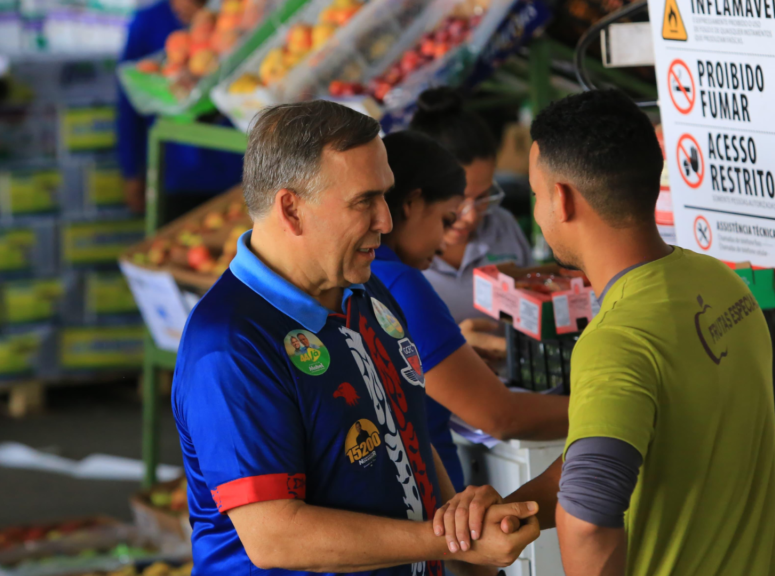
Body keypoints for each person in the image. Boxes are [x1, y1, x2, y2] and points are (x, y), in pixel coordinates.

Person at [171, 101, 540, 575]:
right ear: (292, 209)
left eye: (385, 197)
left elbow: (408, 428)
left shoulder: (362, 288)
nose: (386, 221)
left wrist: (468, 550)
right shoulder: (229, 345)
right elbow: (275, 535)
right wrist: (449, 543)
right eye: (364, 201)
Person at [433, 90, 775, 576]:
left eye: (535, 195)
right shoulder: (721, 283)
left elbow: (589, 519)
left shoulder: (615, 340)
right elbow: (602, 460)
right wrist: (514, 509)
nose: (535, 211)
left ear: (564, 199)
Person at [371, 130, 569, 492]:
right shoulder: (400, 282)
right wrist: (619, 409)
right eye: (446, 220)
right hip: (425, 504)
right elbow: (500, 416)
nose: (446, 237)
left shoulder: (360, 274)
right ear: (412, 204)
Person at [410, 88, 532, 327]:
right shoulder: (392, 257)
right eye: (457, 200)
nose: (471, 216)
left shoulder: (502, 226)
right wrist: (453, 351)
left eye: (483, 196)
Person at [118, 0, 243, 216]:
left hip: (236, 168)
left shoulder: (231, 15)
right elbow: (128, 109)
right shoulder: (147, 23)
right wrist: (131, 172)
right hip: (175, 174)